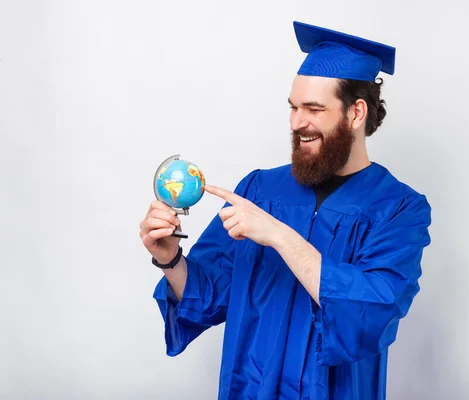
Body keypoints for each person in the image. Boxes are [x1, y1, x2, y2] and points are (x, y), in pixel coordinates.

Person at [139, 21, 432, 400]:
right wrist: (170, 259)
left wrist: (279, 236)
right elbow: (206, 295)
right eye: (293, 108)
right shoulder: (260, 191)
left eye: (313, 108)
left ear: (356, 113)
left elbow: (372, 312)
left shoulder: (399, 210)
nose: (297, 122)